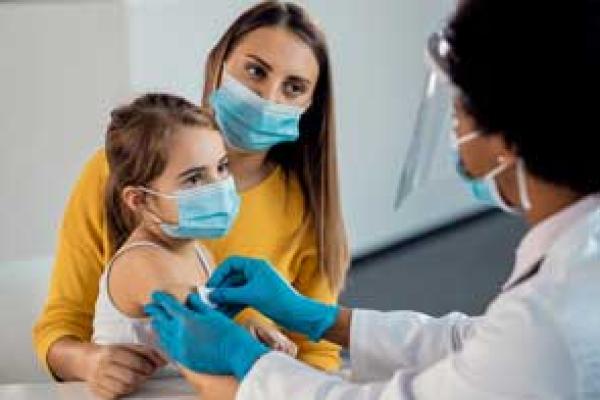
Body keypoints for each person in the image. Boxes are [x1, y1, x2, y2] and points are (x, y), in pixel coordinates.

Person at [145, 0, 600, 398]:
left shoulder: (548, 324)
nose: (456, 130)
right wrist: (319, 317)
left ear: (508, 137)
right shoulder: (574, 264)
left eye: (460, 109)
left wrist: (239, 361)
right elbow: (472, 341)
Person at [33, 1, 348, 398]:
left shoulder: (307, 207)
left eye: (294, 87)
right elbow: (60, 327)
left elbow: (316, 351)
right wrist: (90, 361)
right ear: (218, 63)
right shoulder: (113, 174)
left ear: (309, 106)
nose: (269, 98)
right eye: (256, 71)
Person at [89, 93, 297, 398]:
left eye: (222, 167)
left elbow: (213, 333)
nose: (219, 186)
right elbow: (205, 365)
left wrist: (247, 327)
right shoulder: (143, 264)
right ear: (140, 199)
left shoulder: (195, 250)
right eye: (194, 179)